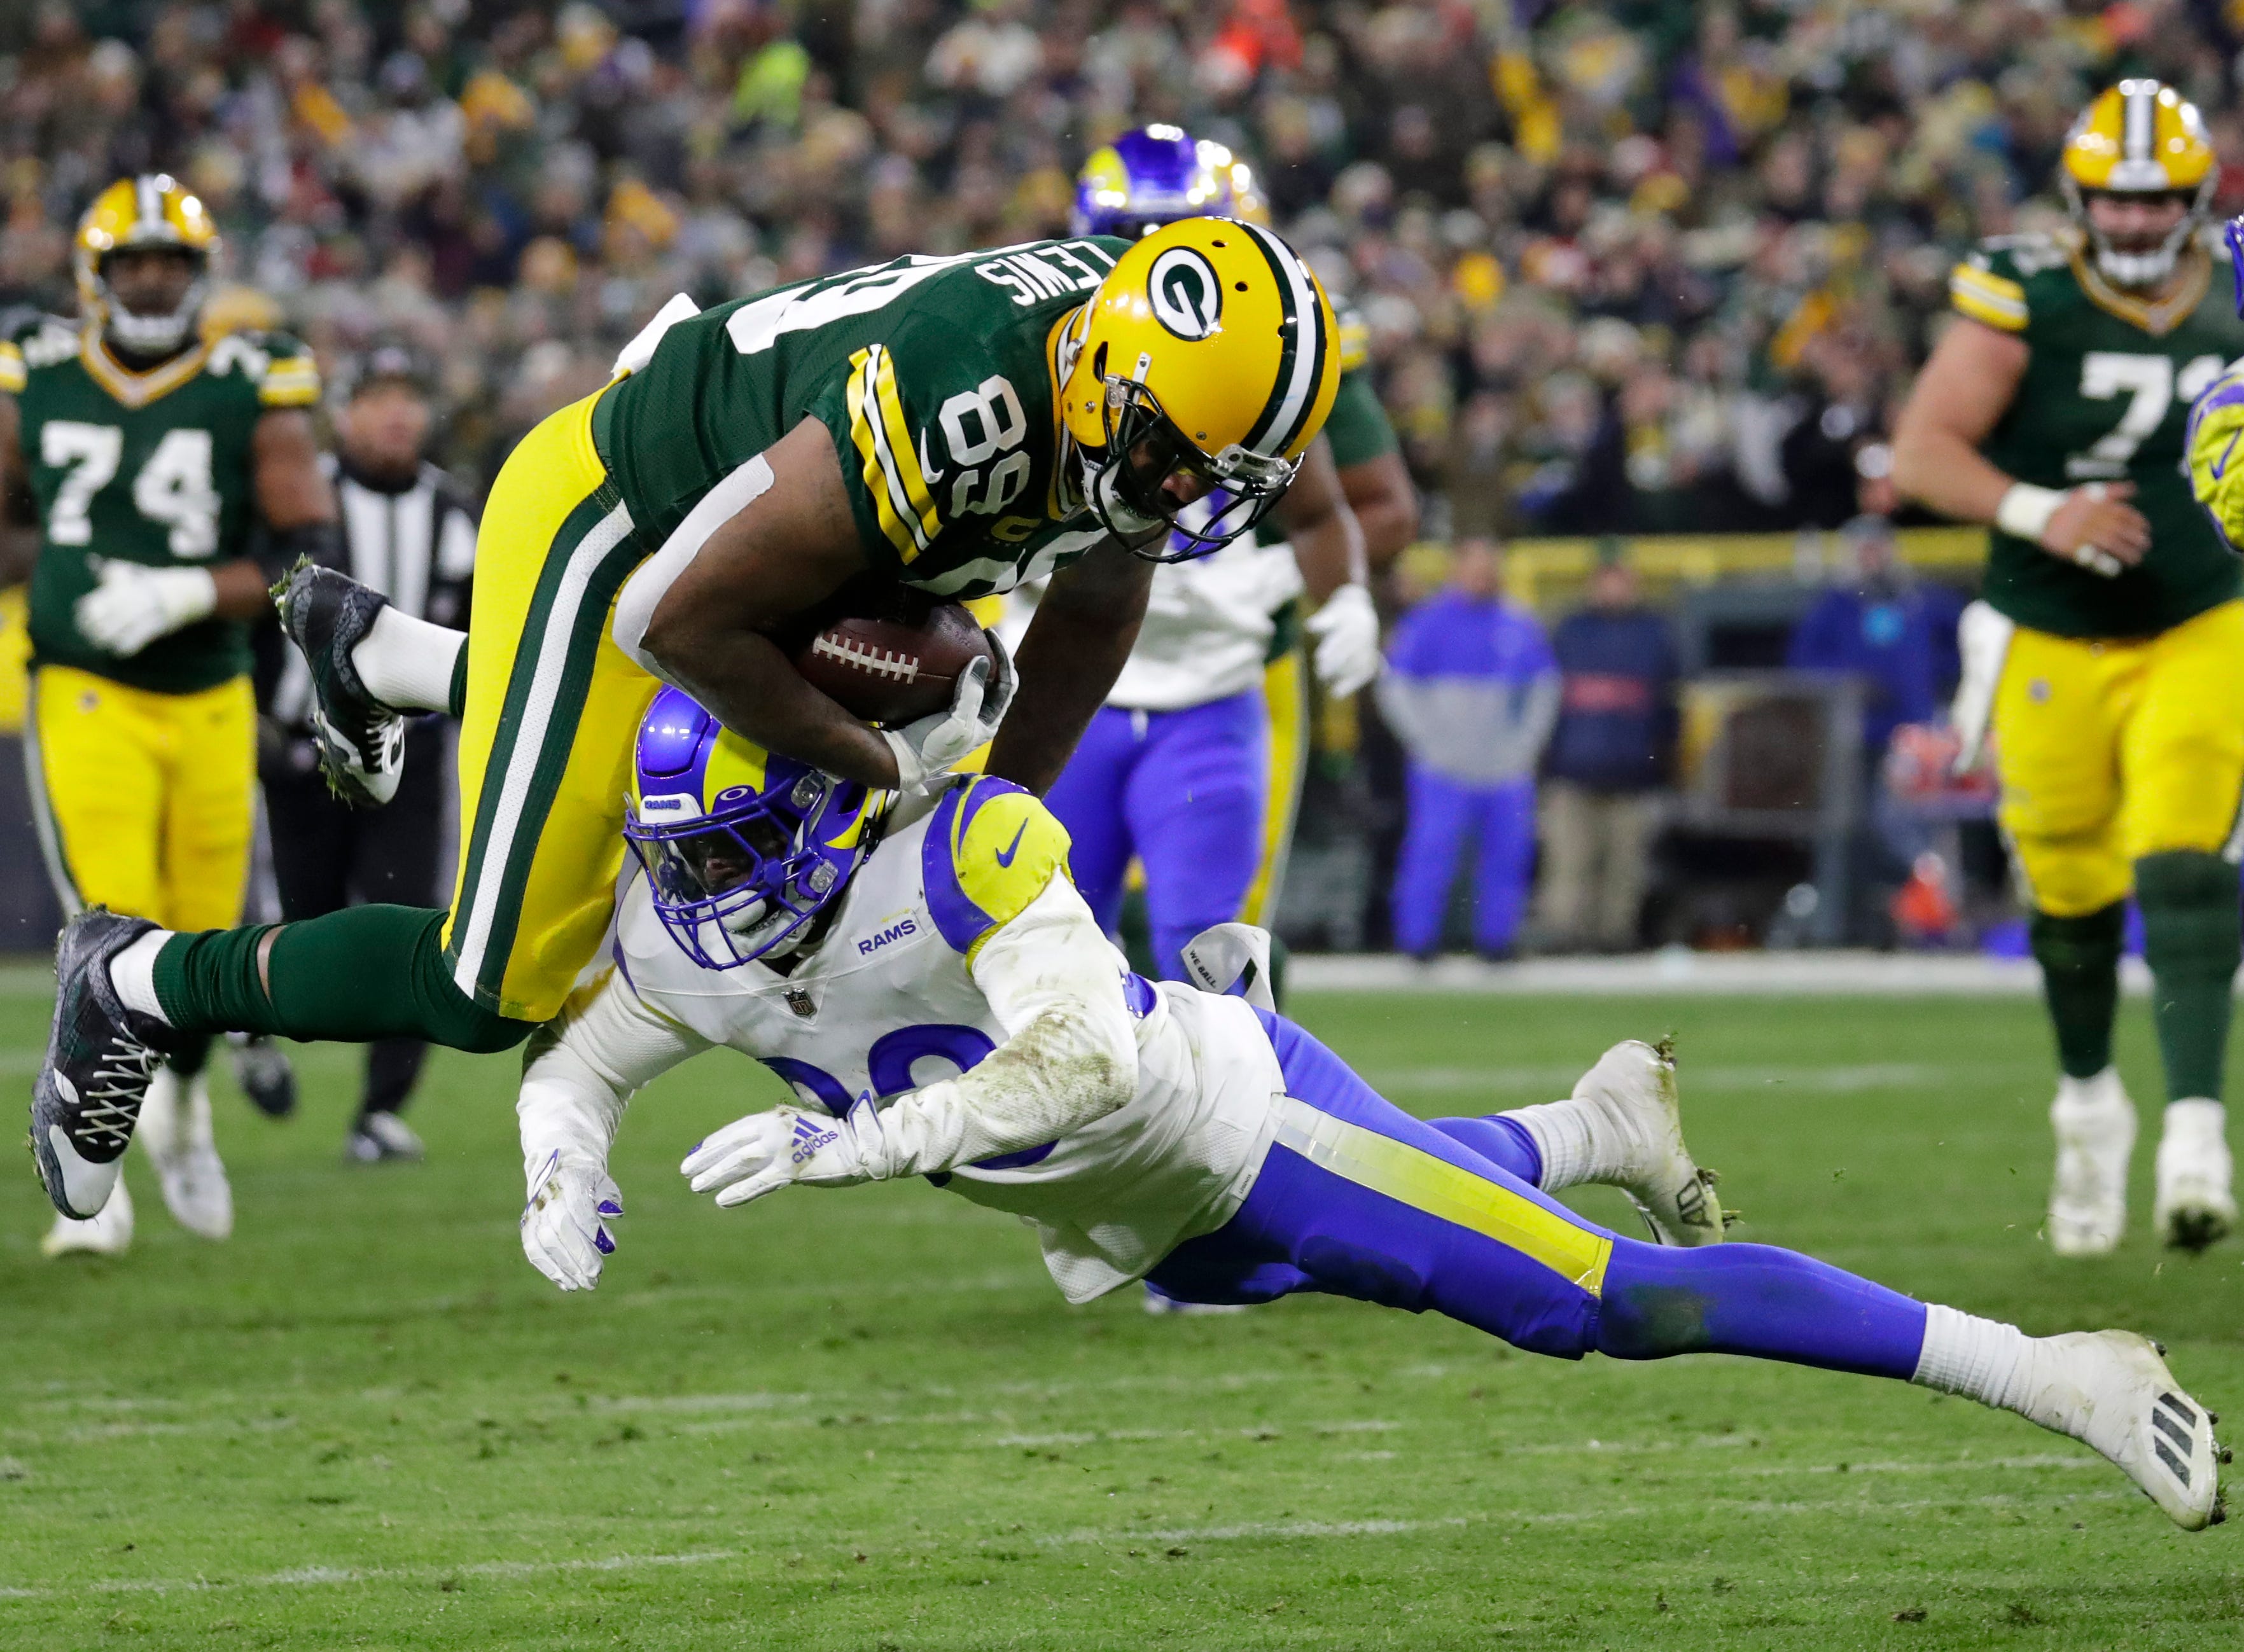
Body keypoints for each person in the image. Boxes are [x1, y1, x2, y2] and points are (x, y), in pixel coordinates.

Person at [514, 686, 2223, 1536]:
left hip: (1227, 1126)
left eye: (734, 849)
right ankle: (1596, 1121)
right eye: (686, 861)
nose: (711, 893)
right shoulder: (694, 927)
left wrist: (863, 1137)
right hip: (1144, 1220)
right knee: (1344, 1247)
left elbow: (1082, 1059)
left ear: (822, 794)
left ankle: (2052, 1366)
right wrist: (560, 1160)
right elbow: (582, 1055)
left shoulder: (959, 842)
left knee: (1604, 1305)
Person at [31, 218, 1346, 1229]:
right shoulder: (970, 401)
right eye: (1171, 454)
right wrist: (878, 769)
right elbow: (681, 621)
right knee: (493, 988)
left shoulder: (1122, 389)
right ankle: (136, 978)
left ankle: (395, 657)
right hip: (626, 532)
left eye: (1213, 476)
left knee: (952, 704)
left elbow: (1094, 607)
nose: (1179, 491)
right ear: (1108, 364)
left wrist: (990, 818)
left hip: (776, 536)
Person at [1892, 80, 2244, 1256]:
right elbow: (1922, 449)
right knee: (2069, 887)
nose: (2137, 225)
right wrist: (2042, 509)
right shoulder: (2029, 294)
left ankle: (2197, 1131)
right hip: (2049, 624)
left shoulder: (2236, 284)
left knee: (2185, 857)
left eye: (2158, 204)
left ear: (2195, 199)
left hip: (2199, 611)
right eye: (2114, 202)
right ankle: (2088, 1108)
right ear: (2080, 198)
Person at [1, 176, 333, 1256]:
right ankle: (97, 1192)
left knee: (197, 950)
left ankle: (184, 1113)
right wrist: (52, 573)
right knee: (110, 922)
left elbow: (301, 543)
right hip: (86, 684)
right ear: (94, 277)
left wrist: (188, 590)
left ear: (199, 274)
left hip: (208, 688)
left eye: (172, 262)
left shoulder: (251, 373)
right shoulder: (34, 369)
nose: (152, 279)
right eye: (133, 262)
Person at [1010, 126, 1415, 983]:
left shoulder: (1285, 343)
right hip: (1056, 660)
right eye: (1132, 240)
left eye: (1181, 236)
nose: (1158, 264)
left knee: (1217, 957)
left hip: (1221, 672)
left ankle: (1235, 1115)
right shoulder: (1038, 334)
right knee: (1038, 946)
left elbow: (1348, 508)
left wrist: (1324, 589)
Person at [257, 344, 478, 1163]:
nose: (395, 413)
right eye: (378, 395)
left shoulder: (453, 509)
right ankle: (250, 1026)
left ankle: (382, 1107)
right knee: (306, 918)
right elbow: (256, 607)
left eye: (408, 396)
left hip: (409, 751)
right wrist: (253, 712)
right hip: (299, 751)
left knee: (414, 919)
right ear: (344, 412)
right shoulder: (299, 495)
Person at [1378, 538, 1557, 959]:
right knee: (1431, 852)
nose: (1482, 575)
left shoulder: (1518, 624)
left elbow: (1543, 693)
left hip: (1504, 767)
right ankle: (1417, 942)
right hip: (1443, 768)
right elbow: (1396, 690)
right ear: (1456, 570)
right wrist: (1428, 743)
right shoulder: (1427, 624)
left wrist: (1522, 749)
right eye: (1474, 566)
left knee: (1507, 853)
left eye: (1488, 566)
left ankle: (1497, 940)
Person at [1533, 550, 1677, 952]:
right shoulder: (1569, 631)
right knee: (1568, 864)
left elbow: (1668, 709)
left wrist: (1662, 766)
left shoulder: (1655, 633)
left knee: (1626, 867)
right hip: (1571, 770)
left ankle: (1616, 937)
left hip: (1634, 772)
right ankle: (1563, 938)